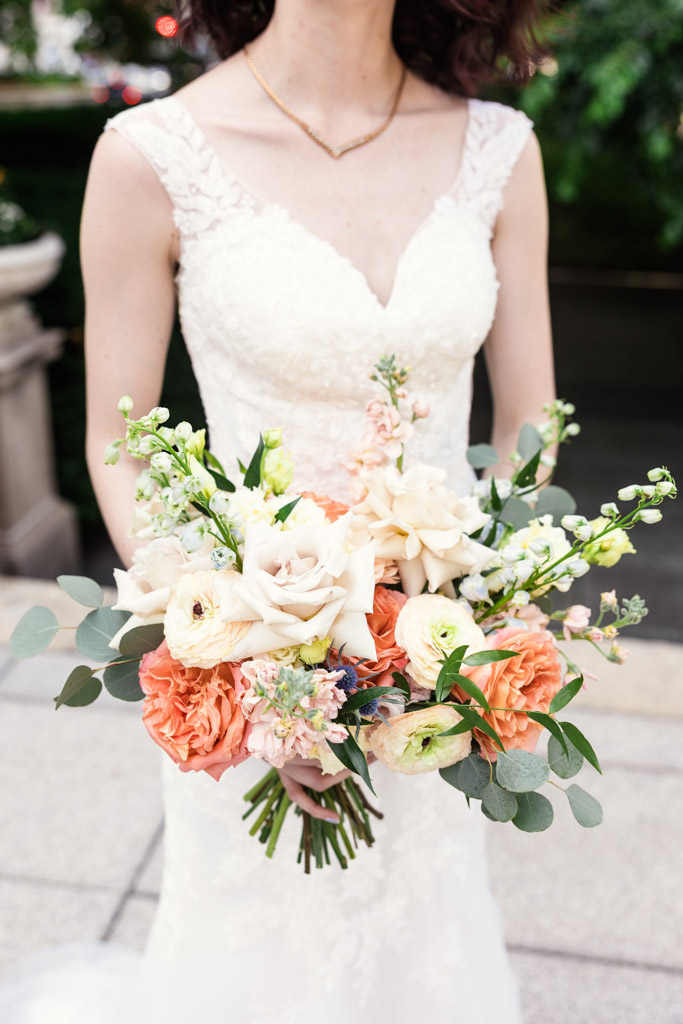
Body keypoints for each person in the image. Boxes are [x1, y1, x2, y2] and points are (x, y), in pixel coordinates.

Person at [2, 1, 556, 1020]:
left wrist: (491, 607)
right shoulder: (149, 156)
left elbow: (526, 420)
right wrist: (250, 668)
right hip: (253, 657)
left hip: (439, 660)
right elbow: (117, 444)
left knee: (427, 933)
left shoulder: (499, 149)